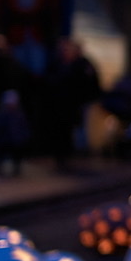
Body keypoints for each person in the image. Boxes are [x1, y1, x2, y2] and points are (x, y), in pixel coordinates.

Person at [43, 37, 101, 170]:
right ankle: (60, 156)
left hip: (71, 106)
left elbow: (88, 84)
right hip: (59, 105)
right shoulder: (57, 65)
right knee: (60, 132)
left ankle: (69, 156)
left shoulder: (79, 65)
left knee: (71, 131)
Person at [0, 89, 31, 176]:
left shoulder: (19, 114)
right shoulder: (2, 114)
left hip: (16, 140)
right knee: (1, 154)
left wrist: (24, 136)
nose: (11, 105)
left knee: (17, 154)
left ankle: (16, 168)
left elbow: (23, 126)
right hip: (5, 140)